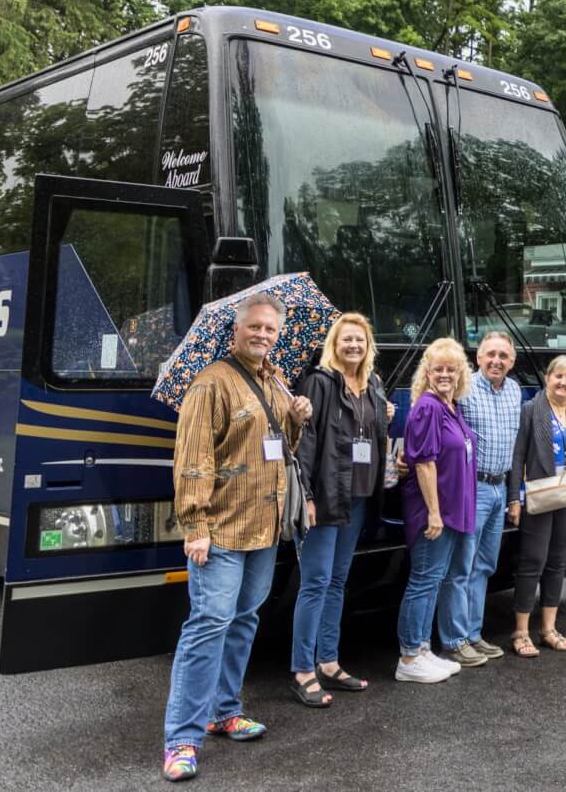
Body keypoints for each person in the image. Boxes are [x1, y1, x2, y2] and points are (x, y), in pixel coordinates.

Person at [161, 293, 313, 782]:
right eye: (255, 328)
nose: (263, 335)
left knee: (244, 620)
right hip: (221, 531)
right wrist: (196, 527)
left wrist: (295, 417)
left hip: (263, 529)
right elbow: (193, 462)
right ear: (236, 331)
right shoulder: (210, 385)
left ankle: (225, 711)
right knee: (208, 625)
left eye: (270, 329)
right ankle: (182, 740)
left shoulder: (275, 382)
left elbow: (280, 450)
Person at [289, 312, 394, 707]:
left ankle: (328, 662)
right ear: (334, 344)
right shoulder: (319, 383)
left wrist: (386, 417)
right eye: (346, 339)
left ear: (369, 347)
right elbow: (306, 442)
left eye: (360, 340)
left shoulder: (374, 386)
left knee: (337, 581)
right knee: (315, 582)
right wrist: (309, 497)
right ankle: (302, 670)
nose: (354, 345)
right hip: (326, 497)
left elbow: (372, 437)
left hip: (359, 496)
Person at [394, 338, 478, 683]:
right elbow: (424, 464)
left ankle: (424, 648)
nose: (445, 374)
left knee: (434, 580)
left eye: (451, 368)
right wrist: (434, 513)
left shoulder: (452, 407)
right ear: (426, 372)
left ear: (461, 373)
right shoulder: (428, 407)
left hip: (450, 511)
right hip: (434, 513)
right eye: (438, 368)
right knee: (423, 581)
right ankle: (409, 658)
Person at [443, 332, 521, 668]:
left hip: (499, 488)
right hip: (471, 487)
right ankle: (454, 640)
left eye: (503, 356)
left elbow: (518, 448)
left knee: (484, 566)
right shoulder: (463, 387)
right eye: (491, 354)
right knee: (460, 566)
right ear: (478, 357)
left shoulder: (515, 390)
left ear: (512, 362)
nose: (497, 361)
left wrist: (514, 495)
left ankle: (473, 634)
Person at [507, 355, 566, 656]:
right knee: (532, 563)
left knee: (557, 563)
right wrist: (514, 498)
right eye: (559, 376)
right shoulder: (531, 410)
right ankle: (520, 632)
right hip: (539, 495)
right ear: (548, 378)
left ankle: (548, 629)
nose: (564, 382)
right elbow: (518, 457)